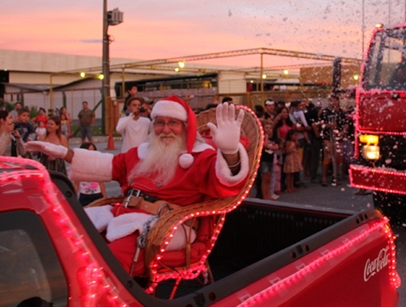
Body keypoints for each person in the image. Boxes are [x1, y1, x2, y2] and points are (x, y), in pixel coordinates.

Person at [25, 96, 250, 277]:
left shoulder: (200, 158)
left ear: (185, 126)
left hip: (165, 227)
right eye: (160, 122)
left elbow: (227, 184)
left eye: (173, 123)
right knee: (69, 238)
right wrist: (65, 153)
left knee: (106, 263)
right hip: (124, 215)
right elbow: (110, 164)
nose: (165, 129)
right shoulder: (142, 152)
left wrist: (230, 153)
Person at [318, 94, 348, 187]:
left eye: (335, 100)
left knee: (338, 158)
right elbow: (321, 124)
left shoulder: (341, 112)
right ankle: (324, 178)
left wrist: (343, 131)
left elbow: (346, 123)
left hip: (338, 138)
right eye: (331, 100)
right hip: (328, 138)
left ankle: (335, 176)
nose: (333, 102)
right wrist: (329, 126)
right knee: (327, 158)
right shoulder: (325, 112)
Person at [259, 122, 279, 200]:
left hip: (270, 160)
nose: (268, 130)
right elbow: (264, 145)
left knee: (269, 179)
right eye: (266, 128)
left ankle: (268, 194)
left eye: (270, 128)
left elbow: (276, 147)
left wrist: (269, 146)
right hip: (264, 160)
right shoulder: (263, 138)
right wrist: (266, 137)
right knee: (264, 178)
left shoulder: (274, 139)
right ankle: (265, 196)